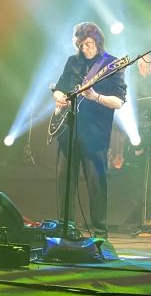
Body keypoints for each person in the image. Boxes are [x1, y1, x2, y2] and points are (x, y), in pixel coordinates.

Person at [52, 22, 126, 238]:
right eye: (80, 44)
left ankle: (100, 234)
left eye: (89, 44)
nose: (85, 49)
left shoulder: (112, 64)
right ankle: (67, 229)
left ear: (98, 42)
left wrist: (96, 97)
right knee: (64, 184)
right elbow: (59, 88)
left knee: (96, 186)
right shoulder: (72, 61)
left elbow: (119, 102)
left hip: (95, 135)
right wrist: (59, 97)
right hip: (69, 132)